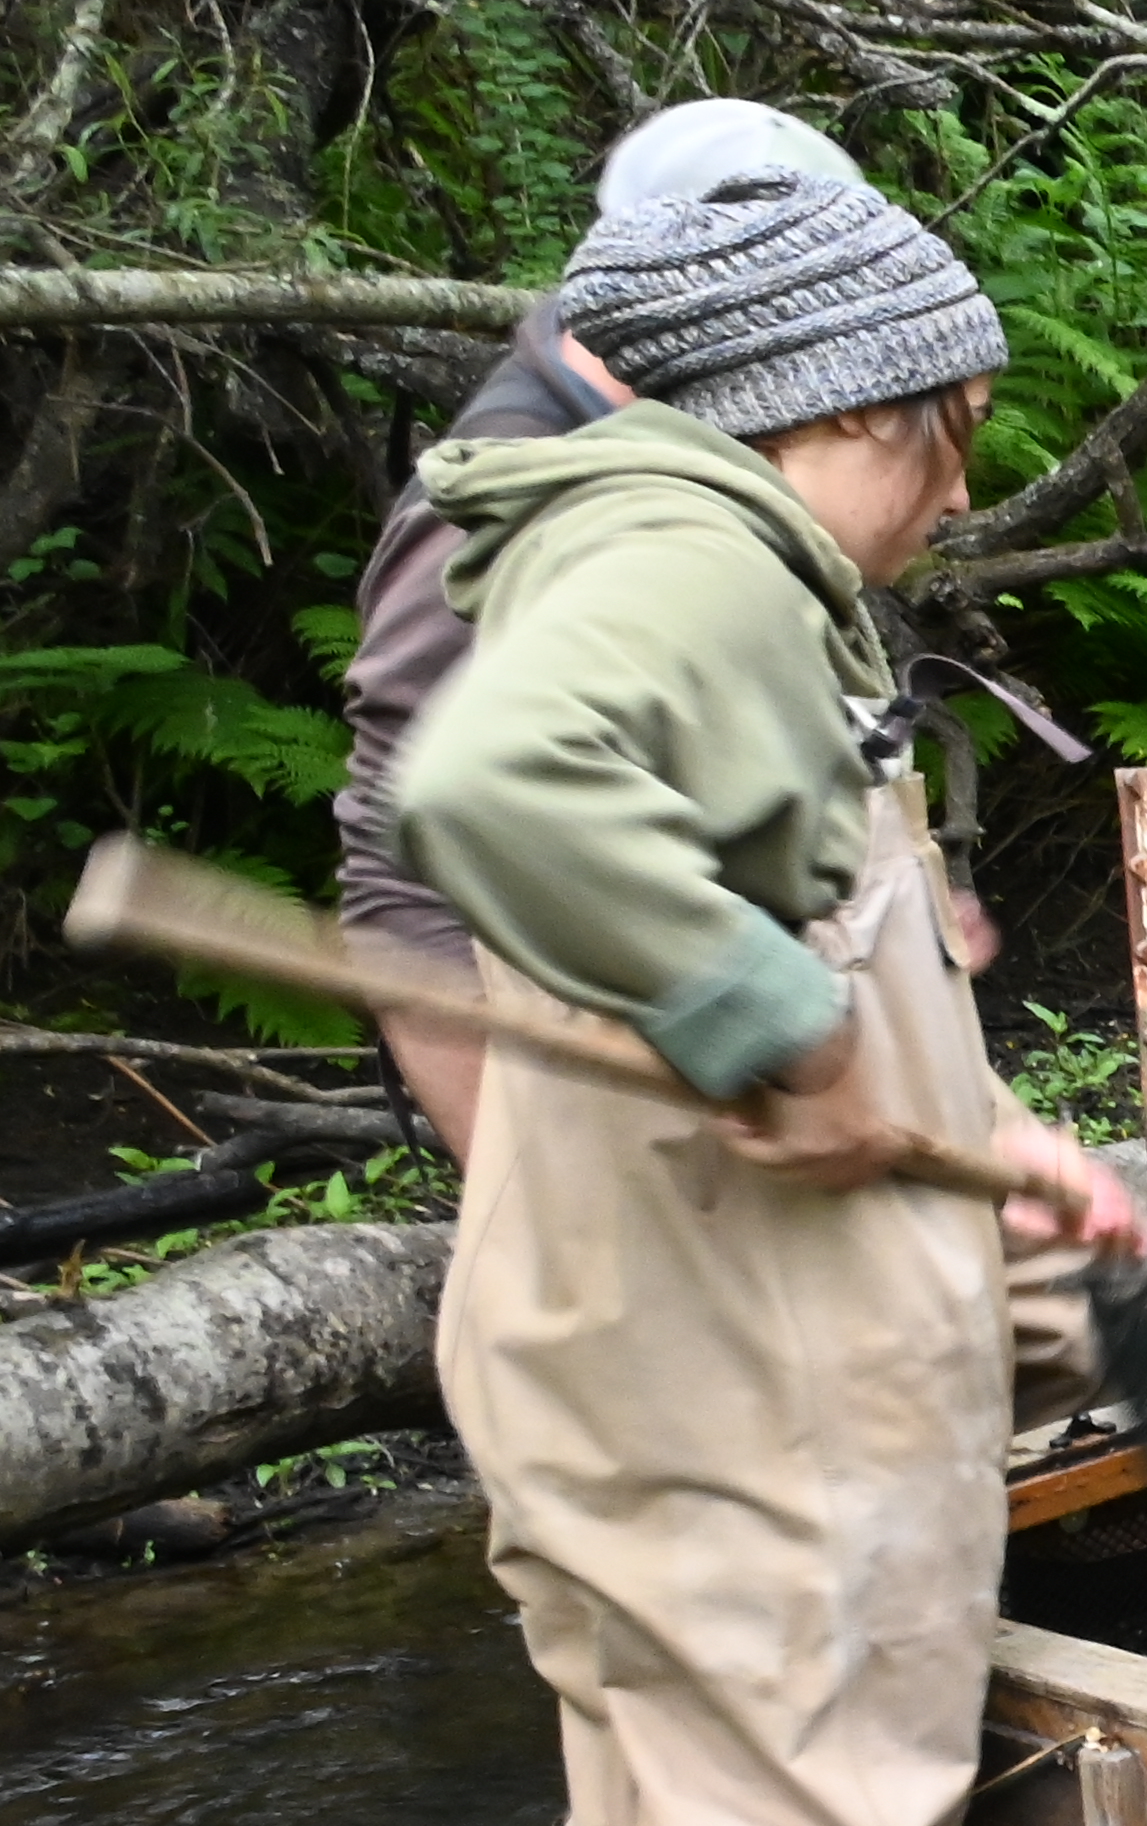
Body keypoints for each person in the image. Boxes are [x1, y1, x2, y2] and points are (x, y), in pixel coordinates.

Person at [397, 169, 1147, 1826]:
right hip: (756, 1402)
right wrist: (768, 1019)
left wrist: (986, 1131)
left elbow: (775, 931)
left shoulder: (607, 549)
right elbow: (495, 796)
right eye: (951, 430)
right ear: (849, 408)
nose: (952, 491)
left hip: (604, 1353)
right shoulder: (704, 559)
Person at [337, 99, 864, 1153]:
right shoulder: (503, 498)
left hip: (748, 1120)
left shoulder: (689, 464)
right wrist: (517, 1177)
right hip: (602, 1130)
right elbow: (402, 872)